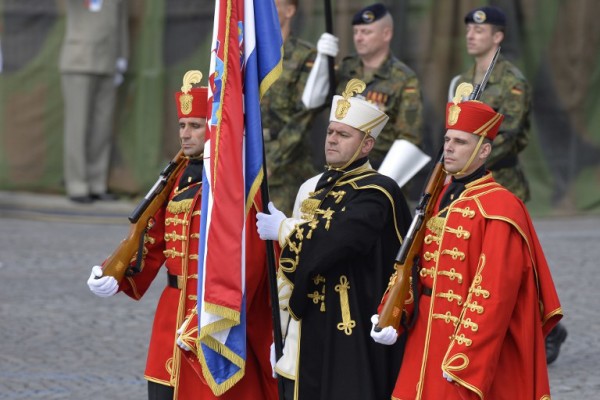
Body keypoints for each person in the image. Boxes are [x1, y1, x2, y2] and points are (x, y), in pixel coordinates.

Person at [87, 71, 277, 400]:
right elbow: (154, 239)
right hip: (171, 314)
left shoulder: (236, 186)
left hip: (215, 318)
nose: (185, 134)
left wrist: (212, 317)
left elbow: (252, 263)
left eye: (196, 125)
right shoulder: (177, 177)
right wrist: (115, 273)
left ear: (214, 128)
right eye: (182, 125)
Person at [371, 85, 563, 399]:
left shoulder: (502, 207)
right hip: (426, 333)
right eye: (447, 140)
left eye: (460, 142)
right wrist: (392, 313)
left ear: (484, 151)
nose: (449, 148)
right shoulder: (440, 195)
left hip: (465, 340)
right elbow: (413, 260)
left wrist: (467, 357)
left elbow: (495, 293)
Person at [256, 78, 412, 400]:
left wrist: (285, 229)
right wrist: (281, 331)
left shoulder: (378, 192)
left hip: (348, 327)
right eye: (330, 132)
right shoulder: (312, 187)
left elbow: (337, 240)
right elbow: (289, 269)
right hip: (304, 327)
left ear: (366, 144)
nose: (332, 140)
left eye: (344, 135)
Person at [449, 5, 567, 363]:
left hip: (502, 181)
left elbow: (511, 134)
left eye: (480, 31)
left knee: (510, 262)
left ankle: (548, 326)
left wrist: (472, 154)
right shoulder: (461, 82)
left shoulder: (512, 81)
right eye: (469, 29)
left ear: (498, 37)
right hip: (467, 184)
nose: (471, 34)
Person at [303, 3, 423, 169]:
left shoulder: (404, 78)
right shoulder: (345, 68)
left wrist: (384, 180)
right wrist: (322, 61)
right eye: (356, 32)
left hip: (379, 168)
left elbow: (410, 138)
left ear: (386, 34)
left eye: (366, 32)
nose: (358, 38)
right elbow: (312, 102)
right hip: (340, 167)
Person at [59, 0, 129, 203]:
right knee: (77, 126)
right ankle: (77, 184)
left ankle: (97, 182)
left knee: (102, 127)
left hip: (108, 61)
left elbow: (120, 22)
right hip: (78, 60)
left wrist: (122, 56)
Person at [261, 0, 318, 215]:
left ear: (290, 10)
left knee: (280, 240)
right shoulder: (250, 53)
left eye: (273, 7)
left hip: (287, 170)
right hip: (250, 162)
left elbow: (302, 117)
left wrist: (271, 163)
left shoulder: (305, 56)